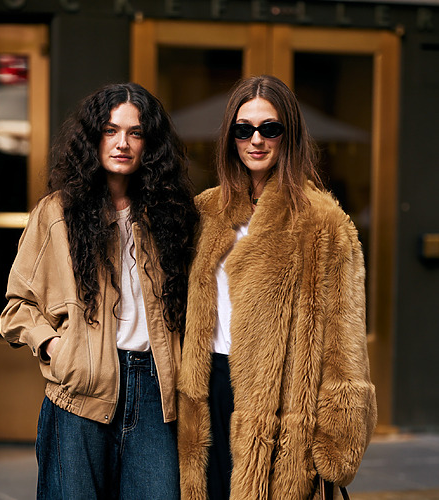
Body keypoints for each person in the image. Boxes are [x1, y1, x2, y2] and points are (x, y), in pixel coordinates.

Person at [177, 75, 377, 499]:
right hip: (208, 392)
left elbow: (344, 342)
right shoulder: (205, 211)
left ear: (289, 135)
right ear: (230, 136)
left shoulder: (323, 221)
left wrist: (336, 437)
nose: (256, 140)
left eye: (269, 128)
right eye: (243, 129)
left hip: (282, 406)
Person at [0, 82, 198, 499]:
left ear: (149, 144)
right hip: (80, 395)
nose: (122, 143)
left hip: (155, 395)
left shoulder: (170, 215)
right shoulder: (57, 213)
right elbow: (17, 307)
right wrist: (57, 348)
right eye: (111, 130)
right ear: (93, 138)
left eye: (135, 132)